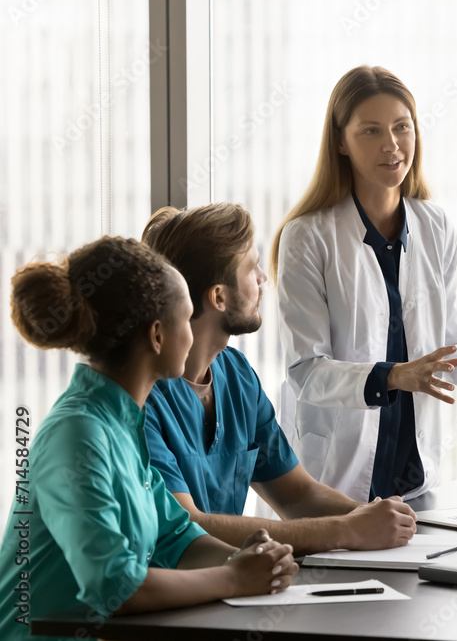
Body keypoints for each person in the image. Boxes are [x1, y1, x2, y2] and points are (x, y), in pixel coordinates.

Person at [271, 65, 457, 503]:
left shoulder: (434, 225)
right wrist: (394, 376)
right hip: (338, 479)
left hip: (415, 481)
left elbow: (450, 345)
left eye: (402, 127)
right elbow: (307, 372)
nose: (391, 144)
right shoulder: (309, 235)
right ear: (340, 141)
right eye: (371, 131)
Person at [0, 237, 297, 641]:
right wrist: (233, 578)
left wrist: (249, 556)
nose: (194, 336)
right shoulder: (77, 435)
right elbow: (114, 585)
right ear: (157, 336)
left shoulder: (123, 422)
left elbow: (176, 537)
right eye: (188, 318)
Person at [141, 203, 417, 554]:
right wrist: (346, 530)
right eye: (252, 267)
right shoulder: (143, 395)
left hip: (229, 586)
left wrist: (377, 517)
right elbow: (187, 524)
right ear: (219, 297)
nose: (263, 278)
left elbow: (297, 494)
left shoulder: (236, 374)